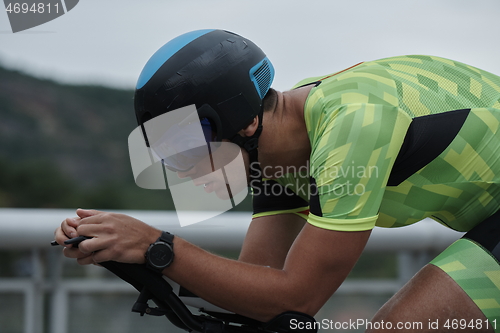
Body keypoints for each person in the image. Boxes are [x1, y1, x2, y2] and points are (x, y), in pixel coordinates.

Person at [55, 29, 500, 332]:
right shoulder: (280, 146)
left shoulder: (350, 133)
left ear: (245, 125)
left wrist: (158, 246)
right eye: (167, 153)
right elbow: (255, 290)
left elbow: (297, 299)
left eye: (189, 148)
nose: (183, 170)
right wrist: (123, 250)